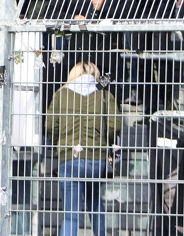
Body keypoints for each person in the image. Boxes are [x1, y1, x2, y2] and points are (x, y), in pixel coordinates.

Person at [45, 62, 120, 236]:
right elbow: (114, 125)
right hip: (96, 158)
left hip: (69, 157)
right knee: (95, 204)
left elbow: (50, 126)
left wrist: (59, 144)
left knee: (71, 214)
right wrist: (105, 143)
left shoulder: (60, 95)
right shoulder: (104, 96)